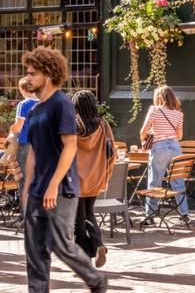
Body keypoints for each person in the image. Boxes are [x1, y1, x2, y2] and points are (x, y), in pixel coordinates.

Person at [22, 47, 106, 293]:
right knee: (34, 250)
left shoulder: (62, 104)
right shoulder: (35, 110)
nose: (28, 78)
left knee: (61, 245)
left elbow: (70, 147)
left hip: (62, 188)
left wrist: (52, 184)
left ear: (48, 74)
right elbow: (33, 153)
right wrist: (27, 189)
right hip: (38, 190)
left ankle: (96, 280)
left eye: (32, 73)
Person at [73, 90, 115, 268]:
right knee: (89, 213)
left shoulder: (72, 125)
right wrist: (105, 174)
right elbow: (112, 152)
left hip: (74, 179)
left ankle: (83, 261)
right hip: (95, 178)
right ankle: (98, 245)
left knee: (78, 220)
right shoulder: (103, 125)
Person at [139, 85, 188, 224]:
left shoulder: (154, 110)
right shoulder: (179, 113)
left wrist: (148, 137)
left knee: (154, 182)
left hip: (159, 147)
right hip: (175, 147)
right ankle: (184, 215)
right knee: (178, 182)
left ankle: (150, 216)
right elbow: (179, 136)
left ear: (159, 97)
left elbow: (143, 131)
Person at [10, 78, 38, 214]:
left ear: (22, 89)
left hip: (27, 145)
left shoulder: (24, 104)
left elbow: (18, 127)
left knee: (25, 181)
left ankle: (25, 215)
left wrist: (11, 129)